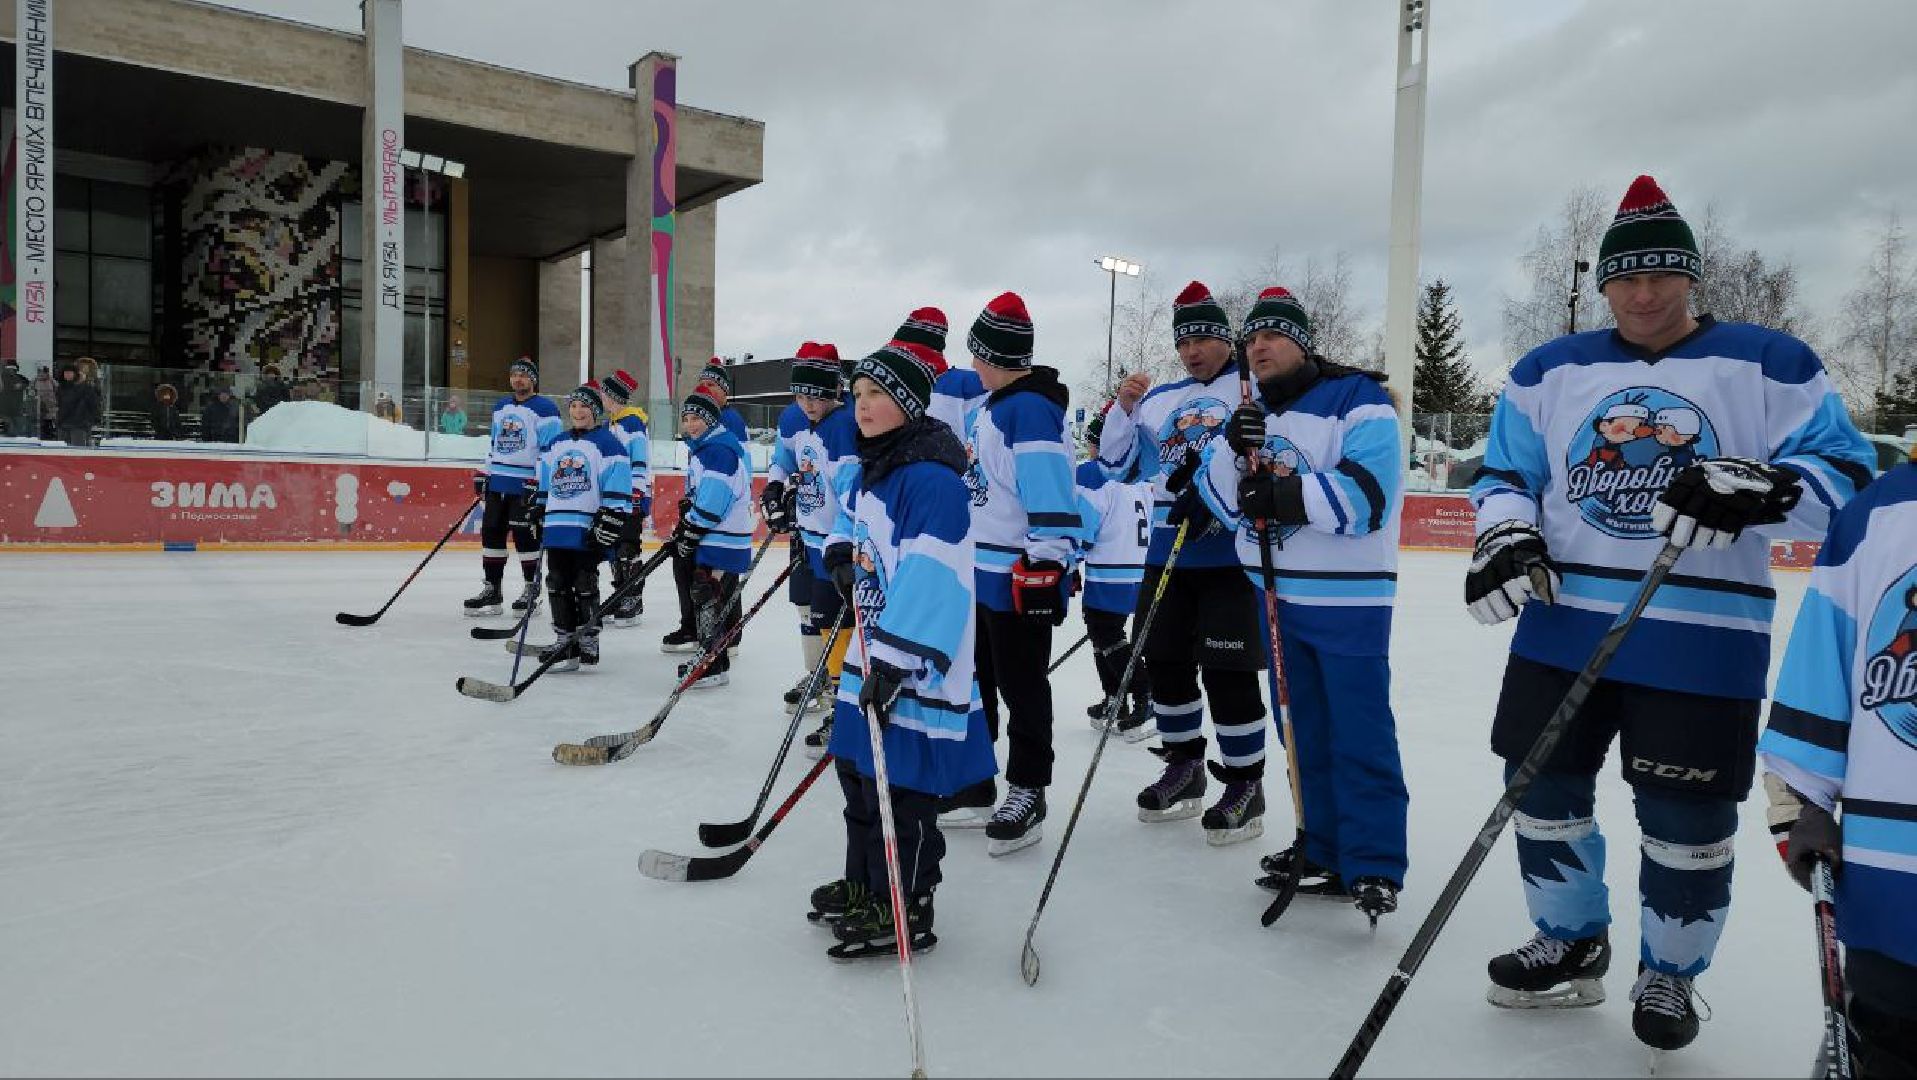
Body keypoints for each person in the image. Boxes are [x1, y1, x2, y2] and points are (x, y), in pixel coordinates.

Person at [1465, 175, 1874, 1053]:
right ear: (1603, 283)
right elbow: (1504, 476)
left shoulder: (1770, 361)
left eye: (1662, 277)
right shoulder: (1549, 370)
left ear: (1690, 279)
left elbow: (1845, 476)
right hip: (1561, 623)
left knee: (1684, 822)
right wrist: (1505, 535)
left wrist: (1763, 490)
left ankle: (1669, 973)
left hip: (1702, 637)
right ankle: (1571, 940)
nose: (1643, 295)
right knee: (1539, 793)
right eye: (1626, 279)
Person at [1192, 286, 1411, 919]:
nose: (1257, 347)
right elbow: (1222, 500)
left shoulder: (1358, 400)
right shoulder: (1252, 410)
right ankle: (1321, 847)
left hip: (1350, 601)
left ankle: (1373, 862)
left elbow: (1369, 497)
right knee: (1301, 730)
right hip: (1277, 597)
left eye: (1272, 336)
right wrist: (1233, 449)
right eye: (1251, 339)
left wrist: (1287, 499)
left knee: (1359, 730)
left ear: (1303, 342)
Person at [810, 335, 997, 959]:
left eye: (878, 395)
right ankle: (866, 883)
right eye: (858, 394)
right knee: (858, 775)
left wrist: (894, 661)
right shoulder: (875, 468)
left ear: (911, 404)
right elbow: (851, 522)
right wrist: (840, 550)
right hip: (871, 646)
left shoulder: (932, 483)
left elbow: (935, 579)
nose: (862, 406)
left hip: (912, 663)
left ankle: (907, 902)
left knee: (902, 787)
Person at [1759, 452, 1917, 1080]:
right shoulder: (1878, 513)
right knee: (1886, 1039)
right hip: (1896, 877)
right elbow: (1818, 675)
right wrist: (1802, 804)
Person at [1097, 282, 1273, 845]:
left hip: (1229, 557)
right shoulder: (1159, 399)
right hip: (1167, 553)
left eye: (1203, 338)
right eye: (1185, 341)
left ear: (1226, 339)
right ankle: (1184, 765)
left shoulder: (1250, 388)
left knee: (1228, 672)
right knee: (1166, 663)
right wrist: (1123, 410)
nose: (1193, 350)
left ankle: (1245, 782)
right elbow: (1116, 466)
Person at [953, 291, 1080, 856]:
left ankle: (1029, 787)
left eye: (977, 354)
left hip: (1015, 573)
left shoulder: (1028, 409)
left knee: (1022, 683)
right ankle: (977, 779)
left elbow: (1049, 488)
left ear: (993, 355)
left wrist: (1048, 560)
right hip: (979, 571)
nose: (972, 365)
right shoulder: (991, 408)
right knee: (978, 679)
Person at [767, 343, 859, 753]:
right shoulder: (795, 418)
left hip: (838, 545)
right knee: (822, 619)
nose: (808, 404)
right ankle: (833, 689)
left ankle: (846, 704)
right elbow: (786, 461)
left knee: (842, 625)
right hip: (811, 539)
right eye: (801, 395)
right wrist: (777, 487)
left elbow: (850, 491)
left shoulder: (845, 426)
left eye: (816, 395)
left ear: (835, 391)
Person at [521, 384, 632, 672]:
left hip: (587, 527)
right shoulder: (556, 443)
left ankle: (588, 639)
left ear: (595, 410)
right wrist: (536, 509)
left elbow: (618, 487)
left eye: (584, 406)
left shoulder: (609, 444)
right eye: (573, 406)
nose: (577, 411)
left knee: (584, 581)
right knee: (556, 580)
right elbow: (545, 483)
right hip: (558, 525)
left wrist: (611, 519)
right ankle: (565, 640)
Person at [1073, 403, 1154, 740]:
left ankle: (1143, 695)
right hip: (1141, 569)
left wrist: (1069, 558)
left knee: (1105, 634)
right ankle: (1115, 698)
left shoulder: (1094, 473)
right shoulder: (1143, 474)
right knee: (1107, 635)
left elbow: (1084, 526)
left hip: (1110, 570)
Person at [669, 386, 755, 688]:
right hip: (717, 535)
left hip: (723, 537)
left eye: (698, 418)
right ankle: (712, 658)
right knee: (708, 594)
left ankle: (713, 665)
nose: (691, 424)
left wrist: (692, 527)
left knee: (709, 595)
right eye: (687, 418)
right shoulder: (706, 448)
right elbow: (703, 495)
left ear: (712, 420)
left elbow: (715, 499)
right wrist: (688, 518)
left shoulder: (718, 451)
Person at [467, 357, 562, 617]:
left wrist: (538, 482)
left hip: (525, 486)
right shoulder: (501, 406)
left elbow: (551, 451)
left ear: (533, 379)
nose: (518, 379)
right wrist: (484, 472)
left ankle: (532, 590)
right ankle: (492, 590)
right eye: (514, 375)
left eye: (523, 375)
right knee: (492, 534)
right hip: (498, 483)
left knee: (525, 539)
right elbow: (494, 444)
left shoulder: (546, 409)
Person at [597, 370, 653, 628]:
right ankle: (621, 594)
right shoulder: (613, 423)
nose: (600, 398)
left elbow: (639, 460)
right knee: (613, 547)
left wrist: (636, 491)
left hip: (631, 496)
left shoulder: (632, 423)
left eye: (603, 393)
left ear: (613, 396)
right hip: (614, 497)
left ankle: (634, 600)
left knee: (628, 547)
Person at [55, 360, 103, 447]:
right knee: (62, 451)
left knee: (78, 451)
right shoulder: (61, 388)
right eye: (66, 373)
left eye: (70, 373)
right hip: (63, 424)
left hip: (80, 425)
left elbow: (94, 404)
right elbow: (59, 405)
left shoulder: (86, 388)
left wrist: (95, 419)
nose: (68, 375)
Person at [0, 361, 27, 436]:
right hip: (6, 410)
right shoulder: (3, 378)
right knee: (11, 431)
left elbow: (27, 384)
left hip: (16, 409)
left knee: (17, 431)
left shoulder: (20, 379)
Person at [34, 366, 58, 439]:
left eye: (45, 372)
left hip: (50, 405)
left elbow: (57, 390)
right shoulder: (35, 380)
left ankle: (50, 436)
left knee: (49, 422)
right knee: (42, 423)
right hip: (40, 405)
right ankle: (43, 436)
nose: (43, 374)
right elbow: (32, 391)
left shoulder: (52, 381)